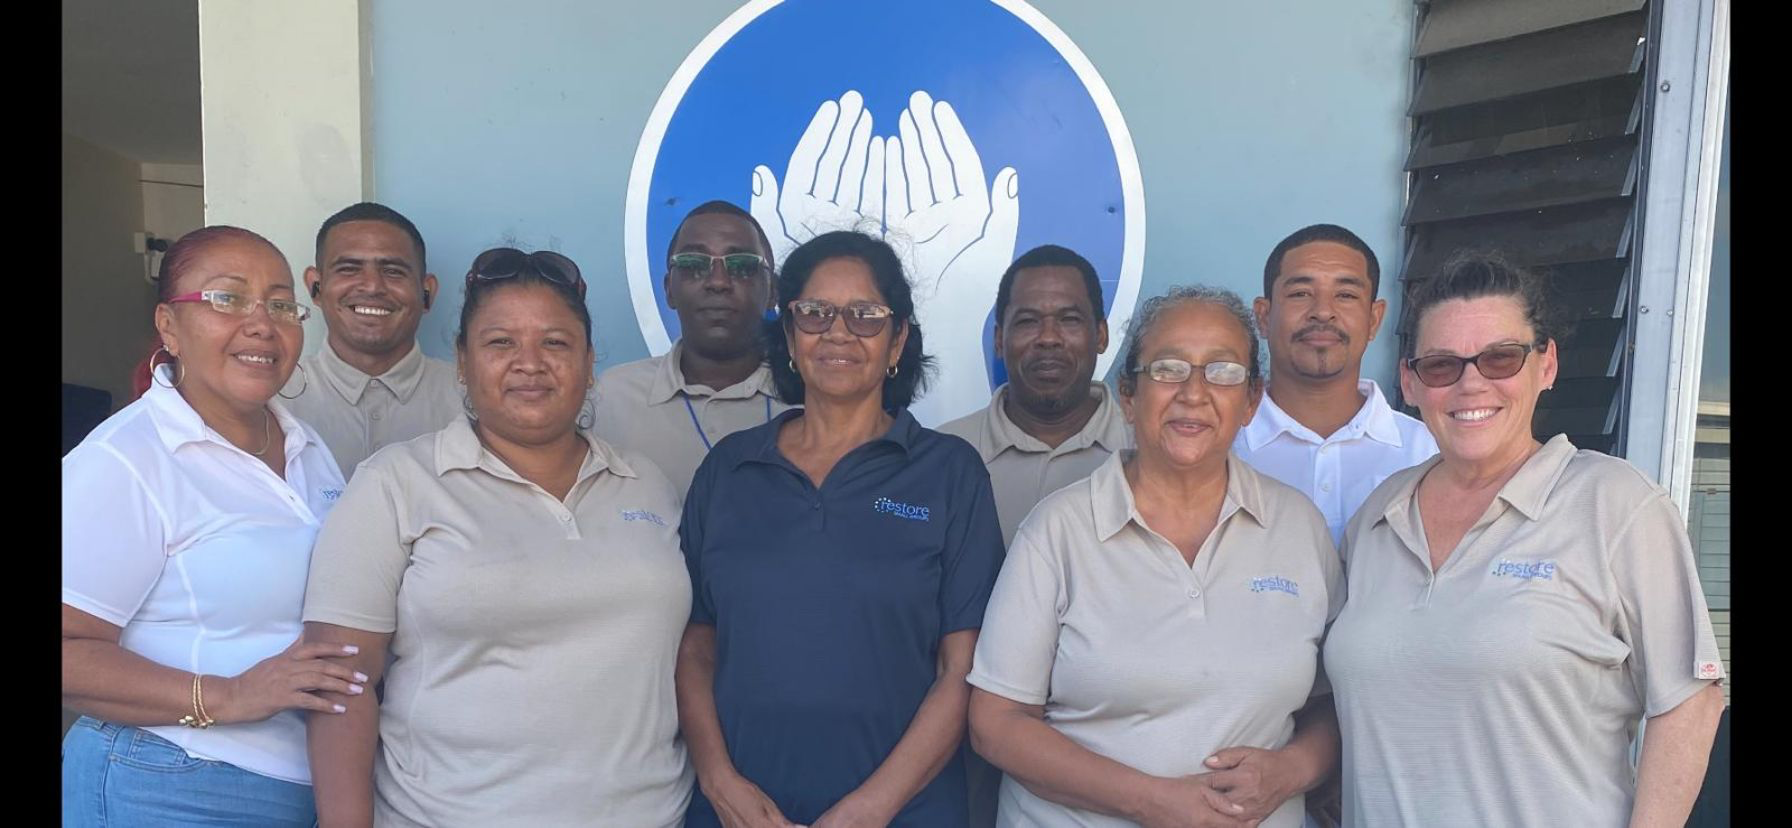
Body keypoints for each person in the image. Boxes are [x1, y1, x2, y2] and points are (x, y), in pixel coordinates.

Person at [1323, 251, 1726, 826]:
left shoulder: (1614, 504)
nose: (1471, 383)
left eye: (1500, 358)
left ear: (1546, 365)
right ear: (1410, 382)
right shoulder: (1378, 518)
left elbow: (1689, 700)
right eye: (1442, 365)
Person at [301, 248, 693, 826]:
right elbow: (339, 683)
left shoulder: (647, 485)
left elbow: (687, 657)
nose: (529, 364)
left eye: (555, 343)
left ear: (589, 364)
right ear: (462, 362)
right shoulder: (396, 483)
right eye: (500, 342)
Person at [968, 285, 1343, 828]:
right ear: (1128, 395)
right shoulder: (1058, 530)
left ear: (1251, 402)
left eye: (1223, 372)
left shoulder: (1298, 527)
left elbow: (1339, 700)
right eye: (1168, 369)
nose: (1194, 393)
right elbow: (996, 722)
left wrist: (1292, 770)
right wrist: (1151, 801)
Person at [676, 230, 1005, 827]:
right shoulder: (729, 469)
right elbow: (697, 646)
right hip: (738, 813)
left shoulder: (949, 473)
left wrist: (871, 809)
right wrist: (719, 781)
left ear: (897, 339)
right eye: (814, 312)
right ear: (788, 335)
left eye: (865, 315)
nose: (837, 332)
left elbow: (963, 669)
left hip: (904, 813)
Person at [62, 226, 357, 826]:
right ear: (169, 326)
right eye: (228, 299)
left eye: (281, 305)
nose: (261, 323)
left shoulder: (305, 445)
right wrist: (227, 695)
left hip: (305, 785)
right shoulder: (127, 458)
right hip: (167, 785)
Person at [1234, 224, 1436, 547]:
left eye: (1346, 295)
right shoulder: (1222, 446)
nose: (1323, 312)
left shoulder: (1427, 452)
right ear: (1263, 316)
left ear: (1374, 319)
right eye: (1300, 294)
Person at [591, 201, 791, 493]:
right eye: (693, 265)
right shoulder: (610, 399)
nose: (718, 282)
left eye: (742, 266)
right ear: (669, 290)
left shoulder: (808, 399)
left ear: (772, 291)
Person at [938, 244, 1131, 547]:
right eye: (1028, 321)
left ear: (1101, 335)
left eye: (1069, 319)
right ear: (999, 340)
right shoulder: (941, 455)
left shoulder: (1146, 451)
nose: (1048, 338)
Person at [283, 202, 460, 479]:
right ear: (316, 287)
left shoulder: (473, 400)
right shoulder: (273, 398)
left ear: (426, 293)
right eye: (348, 269)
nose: (372, 286)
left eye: (393, 271)